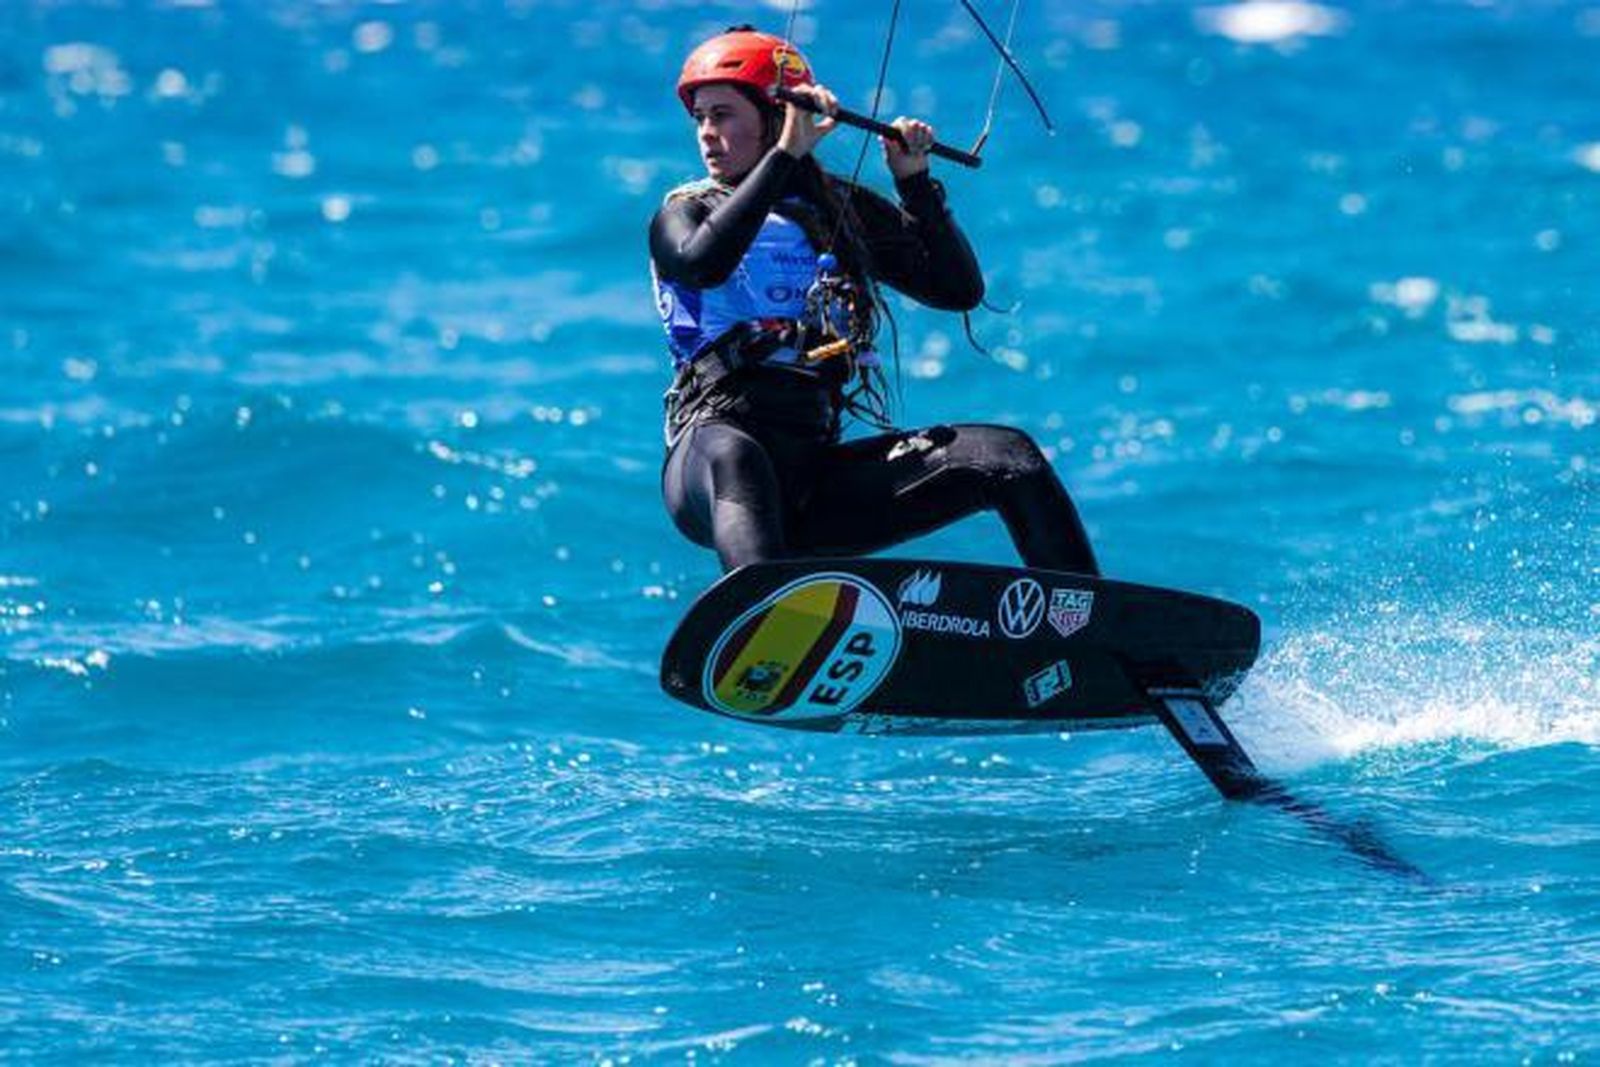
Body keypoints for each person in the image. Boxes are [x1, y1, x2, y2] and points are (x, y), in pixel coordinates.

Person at [650, 26, 1099, 577]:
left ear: (774, 115)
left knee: (1008, 457)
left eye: (723, 114)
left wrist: (914, 184)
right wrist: (786, 155)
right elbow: (702, 263)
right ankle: (771, 626)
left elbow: (956, 289)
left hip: (814, 482)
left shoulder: (836, 210)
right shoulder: (686, 212)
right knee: (738, 457)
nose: (707, 133)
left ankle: (1088, 628)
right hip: (712, 465)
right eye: (700, 117)